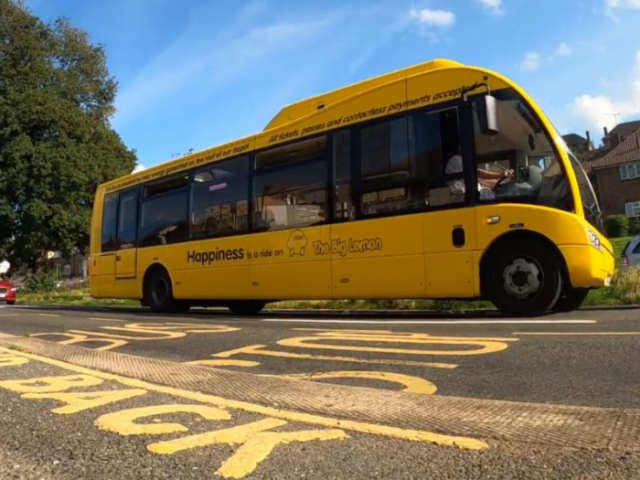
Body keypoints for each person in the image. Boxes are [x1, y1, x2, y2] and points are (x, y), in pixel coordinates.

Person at [445, 147, 514, 192]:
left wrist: (499, 182)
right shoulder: (456, 160)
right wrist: (501, 174)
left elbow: (480, 179)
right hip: (464, 196)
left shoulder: (463, 162)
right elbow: (478, 173)